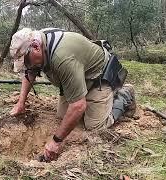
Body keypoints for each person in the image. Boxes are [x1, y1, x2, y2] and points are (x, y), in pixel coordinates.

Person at [9, 28, 136, 162]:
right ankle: (86, 96)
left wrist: (56, 141)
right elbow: (30, 72)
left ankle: (124, 94)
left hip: (98, 76)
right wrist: (20, 103)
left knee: (94, 126)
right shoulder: (38, 41)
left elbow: (78, 106)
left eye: (27, 61)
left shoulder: (62, 58)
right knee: (63, 117)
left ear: (35, 47)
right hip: (76, 77)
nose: (28, 66)